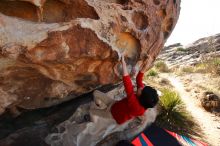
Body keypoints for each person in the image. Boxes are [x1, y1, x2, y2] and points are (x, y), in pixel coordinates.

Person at [90, 54, 159, 125]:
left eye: (142, 90)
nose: (141, 87)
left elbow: (128, 86)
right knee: (95, 93)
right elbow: (139, 79)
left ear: (142, 98)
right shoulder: (142, 96)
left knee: (93, 111)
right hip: (115, 104)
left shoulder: (137, 108)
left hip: (113, 114)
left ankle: (92, 117)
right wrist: (146, 65)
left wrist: (123, 63)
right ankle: (98, 102)